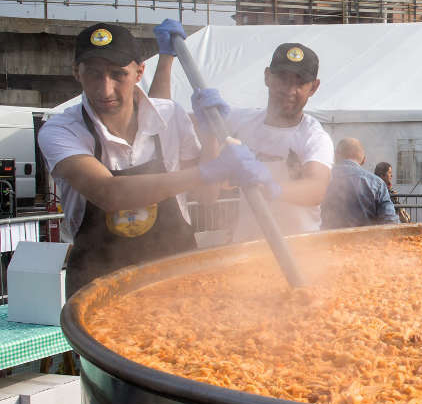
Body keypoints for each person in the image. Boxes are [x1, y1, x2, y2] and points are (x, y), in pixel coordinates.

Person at [39, 21, 271, 295]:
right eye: (93, 74)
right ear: (77, 73)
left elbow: (207, 196)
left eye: (118, 75)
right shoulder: (61, 130)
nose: (105, 89)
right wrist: (208, 171)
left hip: (176, 279)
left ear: (139, 72)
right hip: (97, 283)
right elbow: (108, 193)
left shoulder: (170, 116)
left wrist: (210, 138)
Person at [153, 41, 334, 242]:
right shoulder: (242, 121)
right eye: (282, 78)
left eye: (300, 83)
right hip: (247, 248)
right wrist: (209, 131)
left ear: (313, 87)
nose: (289, 90)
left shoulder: (313, 136)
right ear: (267, 77)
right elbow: (161, 118)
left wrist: (272, 187)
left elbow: (316, 188)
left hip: (300, 248)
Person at [320, 138, 398, 229]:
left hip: (325, 241)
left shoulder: (320, 180)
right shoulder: (377, 183)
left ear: (335, 156)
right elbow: (390, 221)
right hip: (367, 242)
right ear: (364, 160)